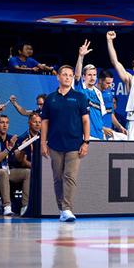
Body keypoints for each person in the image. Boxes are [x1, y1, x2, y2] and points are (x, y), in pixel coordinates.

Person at [41, 65, 90, 222]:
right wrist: (43, 142)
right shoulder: (50, 99)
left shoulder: (80, 97)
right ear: (58, 77)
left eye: (70, 75)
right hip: (55, 144)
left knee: (70, 177)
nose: (68, 77)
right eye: (64, 74)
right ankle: (62, 208)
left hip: (74, 144)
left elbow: (85, 120)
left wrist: (86, 142)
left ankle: (67, 208)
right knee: (58, 178)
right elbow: (45, 122)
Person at [0, 115, 29, 216]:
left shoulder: (11, 138)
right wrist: (9, 147)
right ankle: (7, 207)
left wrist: (23, 149)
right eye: (2, 122)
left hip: (8, 170)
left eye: (7, 123)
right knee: (3, 172)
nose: (5, 125)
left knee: (27, 172)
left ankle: (25, 206)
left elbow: (19, 159)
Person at [73, 40, 107, 140]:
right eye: (89, 75)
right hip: (85, 136)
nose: (92, 77)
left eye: (94, 75)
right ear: (84, 77)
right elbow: (77, 74)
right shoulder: (80, 89)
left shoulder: (98, 93)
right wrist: (81, 56)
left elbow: (100, 116)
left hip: (99, 135)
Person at [13, 113, 42, 216]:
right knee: (29, 173)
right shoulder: (23, 138)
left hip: (39, 168)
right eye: (35, 122)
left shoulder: (43, 137)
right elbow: (23, 161)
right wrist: (23, 149)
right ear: (29, 123)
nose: (38, 124)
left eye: (39, 122)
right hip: (23, 168)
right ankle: (25, 206)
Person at [98, 70, 127, 139]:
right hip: (97, 133)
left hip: (109, 132)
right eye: (107, 83)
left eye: (111, 83)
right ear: (100, 81)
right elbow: (90, 118)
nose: (110, 85)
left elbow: (110, 113)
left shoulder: (109, 92)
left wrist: (120, 127)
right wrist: (102, 128)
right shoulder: (92, 93)